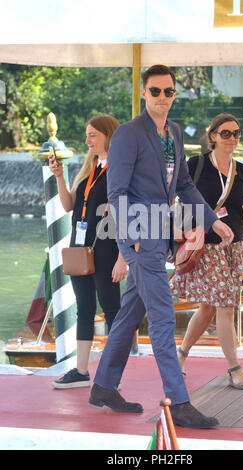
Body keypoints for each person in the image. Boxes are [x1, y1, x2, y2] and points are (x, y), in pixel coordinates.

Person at [89, 65, 234, 429]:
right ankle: (179, 401)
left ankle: (104, 386)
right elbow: (116, 192)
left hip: (158, 235)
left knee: (128, 315)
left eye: (168, 92)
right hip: (140, 238)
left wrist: (212, 221)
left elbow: (184, 185)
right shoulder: (127, 134)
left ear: (174, 94)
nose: (162, 98)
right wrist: (134, 238)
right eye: (155, 91)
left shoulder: (173, 133)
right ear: (143, 93)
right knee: (164, 315)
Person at [170, 113, 243, 390]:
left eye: (236, 133)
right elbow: (177, 198)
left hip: (233, 248)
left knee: (209, 307)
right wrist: (179, 230)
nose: (232, 138)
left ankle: (180, 356)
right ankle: (235, 369)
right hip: (206, 246)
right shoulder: (196, 164)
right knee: (225, 307)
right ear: (212, 136)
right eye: (226, 133)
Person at [49, 115, 127, 389]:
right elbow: (70, 205)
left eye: (93, 135)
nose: (87, 140)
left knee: (111, 310)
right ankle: (82, 371)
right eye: (87, 135)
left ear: (108, 136)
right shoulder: (89, 167)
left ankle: (111, 374)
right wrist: (59, 176)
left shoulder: (121, 170)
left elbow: (127, 216)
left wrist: (122, 258)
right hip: (80, 247)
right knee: (84, 308)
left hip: (106, 248)